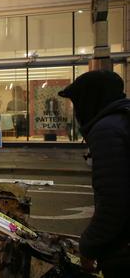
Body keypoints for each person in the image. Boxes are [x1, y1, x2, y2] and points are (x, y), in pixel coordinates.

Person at [58, 70, 130, 277]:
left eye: (77, 102)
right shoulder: (123, 119)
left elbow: (113, 202)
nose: (76, 111)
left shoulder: (107, 130)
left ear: (90, 99)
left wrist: (88, 248)